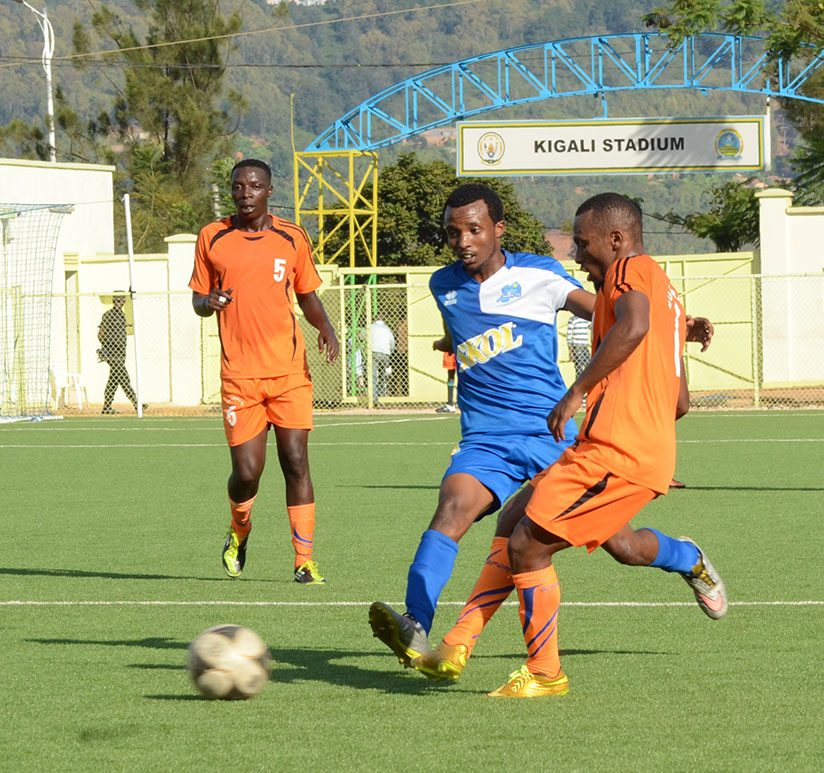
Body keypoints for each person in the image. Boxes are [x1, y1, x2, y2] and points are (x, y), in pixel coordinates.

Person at [368, 184, 715, 672]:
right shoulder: (442, 285)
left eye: (473, 229)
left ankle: (686, 558)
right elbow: (463, 325)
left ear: (498, 229)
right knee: (452, 510)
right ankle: (416, 624)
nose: (463, 241)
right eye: (453, 232)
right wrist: (451, 342)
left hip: (550, 432)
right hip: (486, 438)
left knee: (625, 546)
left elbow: (616, 315)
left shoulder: (540, 274)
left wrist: (677, 326)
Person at [475, 192, 725, 698]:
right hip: (634, 452)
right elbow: (678, 402)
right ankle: (688, 558)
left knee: (525, 540)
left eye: (583, 243)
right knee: (625, 546)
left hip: (616, 451)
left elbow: (633, 325)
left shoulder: (627, 268)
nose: (576, 255)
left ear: (615, 239)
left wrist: (576, 392)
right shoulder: (667, 299)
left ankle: (543, 673)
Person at [189, 158, 339, 585]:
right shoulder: (212, 237)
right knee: (248, 472)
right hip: (239, 375)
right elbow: (199, 300)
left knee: (295, 461)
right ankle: (239, 532)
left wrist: (325, 327)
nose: (245, 193)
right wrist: (210, 301)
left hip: (289, 371)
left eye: (254, 186)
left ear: (269, 191)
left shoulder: (291, 237)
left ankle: (304, 561)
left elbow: (308, 294)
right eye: (238, 186)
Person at [98, 293, 144, 414]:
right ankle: (137, 404)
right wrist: (107, 347)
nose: (120, 302)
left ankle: (107, 407)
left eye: (122, 300)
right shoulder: (108, 315)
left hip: (121, 353)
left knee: (113, 380)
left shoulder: (121, 315)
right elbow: (101, 334)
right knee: (124, 377)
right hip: (113, 353)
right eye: (118, 300)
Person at [370, 314, 395, 401]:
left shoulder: (371, 327)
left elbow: (362, 336)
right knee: (382, 375)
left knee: (373, 375)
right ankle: (382, 395)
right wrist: (390, 352)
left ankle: (374, 398)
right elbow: (392, 343)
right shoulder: (387, 329)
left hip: (374, 352)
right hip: (385, 354)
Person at [433, 343, 457, 413]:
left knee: (466, 374)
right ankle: (450, 404)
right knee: (451, 374)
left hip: (463, 345)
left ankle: (471, 403)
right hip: (450, 346)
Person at [566, 314, 591, 379]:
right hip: (577, 347)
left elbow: (592, 326)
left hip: (585, 347)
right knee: (579, 369)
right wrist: (571, 352)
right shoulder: (572, 320)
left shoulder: (585, 319)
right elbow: (569, 337)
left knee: (589, 366)